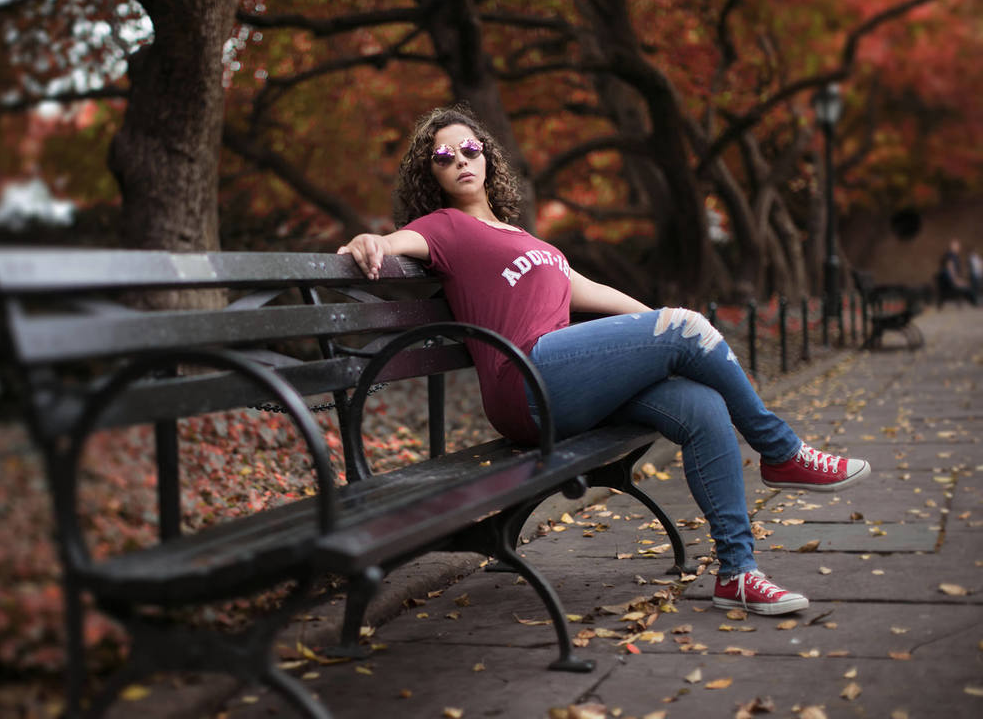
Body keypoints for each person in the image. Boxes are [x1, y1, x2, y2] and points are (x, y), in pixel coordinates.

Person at [338, 105, 871, 616]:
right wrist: (369, 240)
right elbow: (391, 242)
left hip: (566, 379)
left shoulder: (525, 238)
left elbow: (595, 293)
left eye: (470, 147)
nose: (460, 158)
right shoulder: (444, 226)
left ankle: (737, 572)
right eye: (443, 155)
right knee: (683, 327)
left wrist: (675, 338)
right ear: (431, 173)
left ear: (487, 158)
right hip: (523, 380)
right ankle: (781, 451)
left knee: (703, 405)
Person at [936, 238, 978, 307]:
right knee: (968, 288)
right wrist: (956, 280)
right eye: (956, 246)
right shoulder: (950, 255)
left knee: (968, 286)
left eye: (958, 246)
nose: (958, 248)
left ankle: (974, 302)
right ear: (952, 247)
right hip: (949, 281)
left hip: (949, 281)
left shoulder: (953, 256)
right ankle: (975, 303)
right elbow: (950, 268)